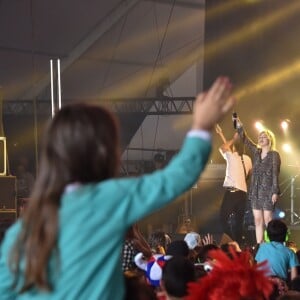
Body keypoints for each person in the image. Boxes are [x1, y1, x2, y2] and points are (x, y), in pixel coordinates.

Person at [0, 76, 234, 299]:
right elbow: (177, 177)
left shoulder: (23, 230)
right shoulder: (108, 199)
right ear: (104, 154)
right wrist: (202, 127)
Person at [235, 117, 281, 244]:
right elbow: (245, 139)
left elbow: (275, 174)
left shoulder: (274, 155)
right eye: (260, 136)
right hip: (255, 191)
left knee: (268, 219)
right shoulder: (256, 152)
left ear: (270, 139)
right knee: (257, 220)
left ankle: (273, 244)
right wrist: (239, 126)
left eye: (264, 136)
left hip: (268, 191)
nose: (261, 138)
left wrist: (275, 191)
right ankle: (260, 245)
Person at [215, 125, 252, 244]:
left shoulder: (232, 156)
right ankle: (237, 243)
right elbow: (249, 174)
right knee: (238, 222)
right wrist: (221, 134)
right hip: (242, 193)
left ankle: (234, 241)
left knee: (223, 218)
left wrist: (232, 139)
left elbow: (223, 147)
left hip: (233, 192)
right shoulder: (246, 159)